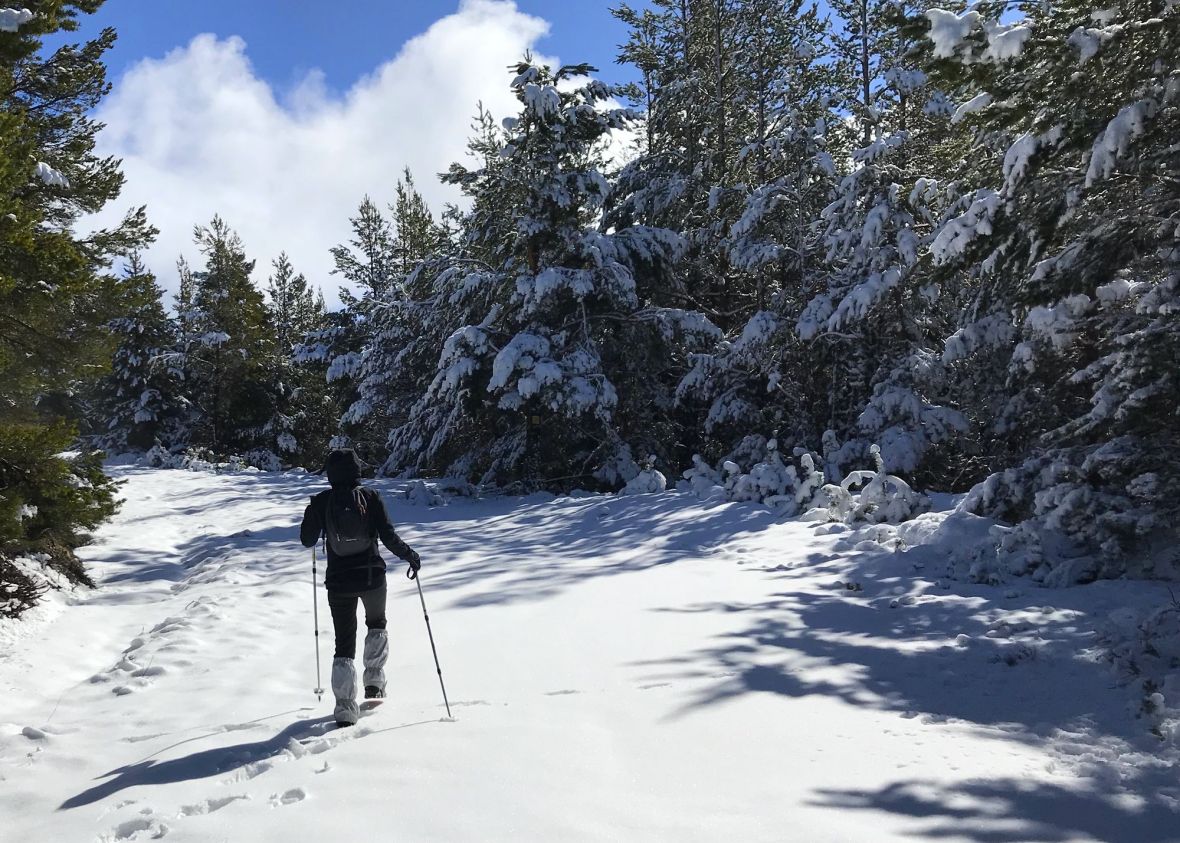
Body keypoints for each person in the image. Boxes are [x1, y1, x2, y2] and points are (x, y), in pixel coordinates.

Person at [300, 449, 421, 727]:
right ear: (356, 471)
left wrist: (313, 515)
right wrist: (410, 556)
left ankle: (344, 708)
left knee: (343, 643)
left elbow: (307, 540)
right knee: (376, 623)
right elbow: (389, 536)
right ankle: (374, 683)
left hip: (339, 582)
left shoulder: (322, 501)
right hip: (372, 578)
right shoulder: (371, 497)